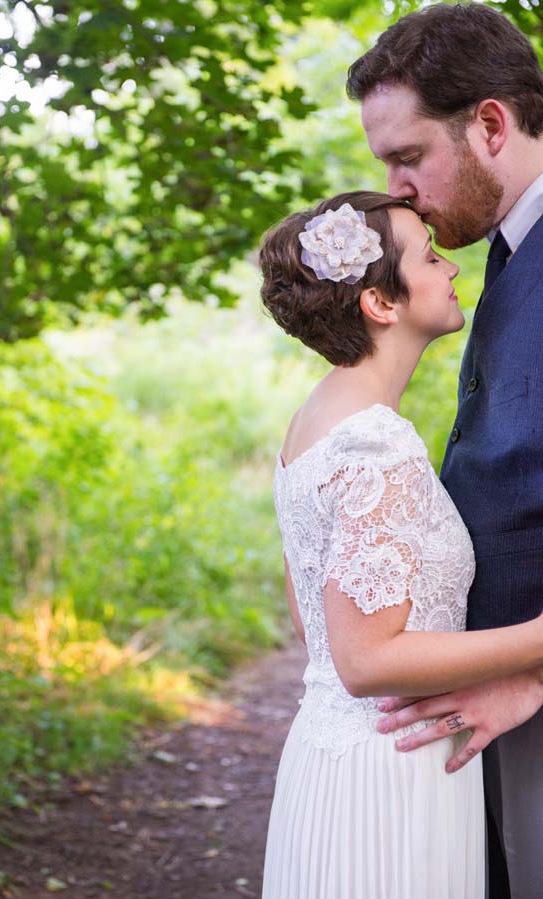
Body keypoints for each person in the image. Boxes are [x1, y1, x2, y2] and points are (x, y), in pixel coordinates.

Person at [259, 190, 543, 899]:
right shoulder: (372, 442)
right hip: (391, 772)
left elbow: (315, 624)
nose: (451, 269)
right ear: (381, 304)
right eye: (428, 256)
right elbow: (365, 658)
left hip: (339, 753)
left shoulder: (315, 422)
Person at [347, 5, 543, 897]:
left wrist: (533, 678)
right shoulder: (508, 250)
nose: (395, 189)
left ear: (491, 125)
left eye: (407, 157)